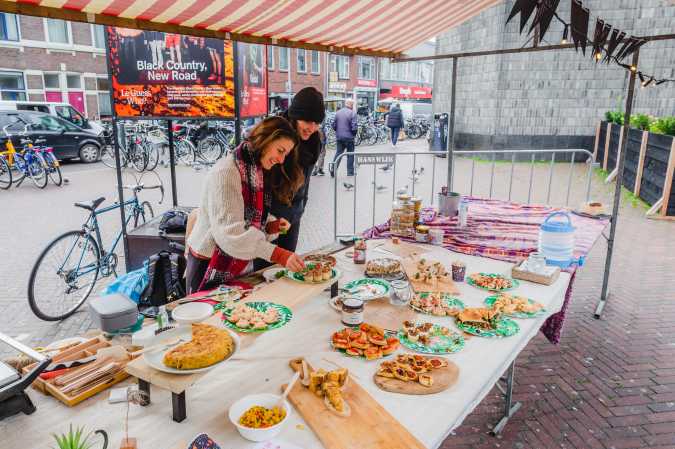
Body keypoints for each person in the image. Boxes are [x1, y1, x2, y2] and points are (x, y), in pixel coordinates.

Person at [185, 116, 306, 293]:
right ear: (265, 139)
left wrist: (271, 226)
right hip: (208, 264)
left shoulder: (253, 169)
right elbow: (231, 234)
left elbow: (245, 216)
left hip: (233, 262)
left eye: (285, 154)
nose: (281, 160)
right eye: (280, 150)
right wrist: (279, 254)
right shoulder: (227, 172)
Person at [265, 86, 325, 256]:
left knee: (286, 266)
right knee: (265, 268)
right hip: (271, 216)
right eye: (307, 121)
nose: (312, 128)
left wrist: (299, 209)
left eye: (316, 123)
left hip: (293, 216)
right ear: (295, 116)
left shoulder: (315, 141)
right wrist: (267, 218)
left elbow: (305, 182)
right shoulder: (276, 134)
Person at [330, 99, 357, 177]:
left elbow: (333, 125)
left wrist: (338, 131)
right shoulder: (352, 113)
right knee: (350, 154)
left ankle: (333, 169)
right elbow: (354, 127)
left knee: (338, 153)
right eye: (353, 105)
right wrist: (353, 134)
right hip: (349, 138)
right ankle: (350, 172)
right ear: (351, 105)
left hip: (339, 137)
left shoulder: (338, 113)